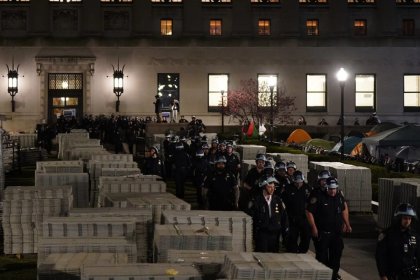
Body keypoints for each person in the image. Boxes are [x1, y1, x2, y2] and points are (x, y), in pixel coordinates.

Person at [306, 177, 347, 280]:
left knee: (336, 258)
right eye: (330, 189)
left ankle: (333, 277)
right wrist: (314, 227)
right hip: (323, 233)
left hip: (336, 234)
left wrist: (347, 223)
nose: (333, 191)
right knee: (322, 258)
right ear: (326, 188)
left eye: (334, 189)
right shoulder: (319, 197)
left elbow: (344, 209)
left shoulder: (339, 197)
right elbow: (309, 212)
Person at [376, 203, 420, 280]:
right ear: (399, 218)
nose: (407, 221)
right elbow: (380, 256)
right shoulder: (387, 235)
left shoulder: (414, 235)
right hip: (392, 275)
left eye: (409, 219)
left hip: (410, 276)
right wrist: (383, 275)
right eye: (405, 218)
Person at [250, 175, 289, 253]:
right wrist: (253, 236)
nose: (273, 189)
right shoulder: (257, 201)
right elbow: (252, 219)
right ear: (264, 187)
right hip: (262, 235)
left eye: (274, 187)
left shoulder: (278, 200)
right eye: (270, 187)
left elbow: (284, 218)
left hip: (275, 235)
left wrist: (285, 236)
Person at [282, 170, 312, 253]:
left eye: (300, 182)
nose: (298, 184)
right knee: (292, 238)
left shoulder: (308, 189)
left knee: (306, 237)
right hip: (292, 218)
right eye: (296, 182)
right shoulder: (288, 188)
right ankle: (293, 252)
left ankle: (302, 251)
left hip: (304, 218)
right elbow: (283, 203)